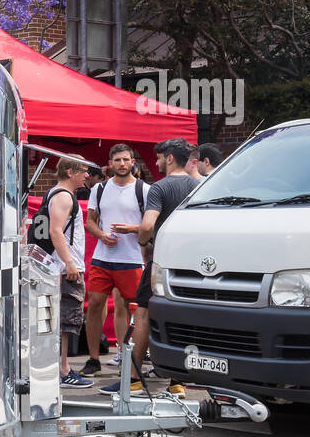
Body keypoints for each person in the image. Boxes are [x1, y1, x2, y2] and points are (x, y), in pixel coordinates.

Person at [102, 138, 200, 396]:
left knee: (143, 314)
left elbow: (146, 226)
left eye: (158, 158)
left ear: (169, 158)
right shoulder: (199, 185)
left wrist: (144, 240)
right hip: (193, 263)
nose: (155, 163)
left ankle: (134, 379)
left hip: (162, 260)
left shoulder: (159, 188)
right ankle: (178, 382)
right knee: (184, 317)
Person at [80, 144, 148, 376]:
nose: (121, 164)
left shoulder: (144, 189)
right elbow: (90, 222)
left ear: (132, 162)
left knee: (137, 310)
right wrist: (101, 235)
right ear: (110, 163)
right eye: (117, 160)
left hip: (131, 259)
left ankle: (131, 360)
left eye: (125, 160)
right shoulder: (99, 189)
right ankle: (93, 359)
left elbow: (151, 225)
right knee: (95, 304)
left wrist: (133, 228)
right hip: (102, 257)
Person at [38, 155, 93, 388]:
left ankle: (57, 368)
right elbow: (55, 231)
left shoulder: (55, 193)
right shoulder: (63, 196)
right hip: (61, 270)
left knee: (54, 321)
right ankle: (62, 370)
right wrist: (69, 263)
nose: (87, 175)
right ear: (70, 172)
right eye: (83, 170)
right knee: (63, 322)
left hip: (54, 268)